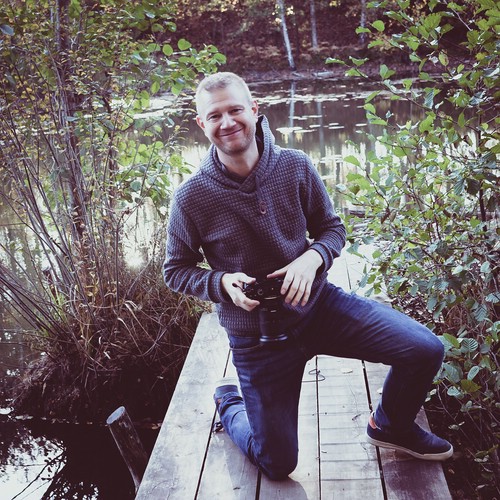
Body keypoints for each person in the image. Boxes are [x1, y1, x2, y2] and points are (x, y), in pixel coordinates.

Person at [163, 72, 453, 481]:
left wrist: (312, 258)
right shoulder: (191, 196)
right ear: (201, 123)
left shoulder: (295, 165)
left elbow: (332, 229)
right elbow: (175, 270)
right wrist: (221, 283)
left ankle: (391, 426)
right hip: (256, 336)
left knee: (425, 349)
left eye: (235, 110)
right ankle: (229, 403)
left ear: (254, 110)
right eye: (214, 116)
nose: (227, 122)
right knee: (278, 463)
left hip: (319, 308)